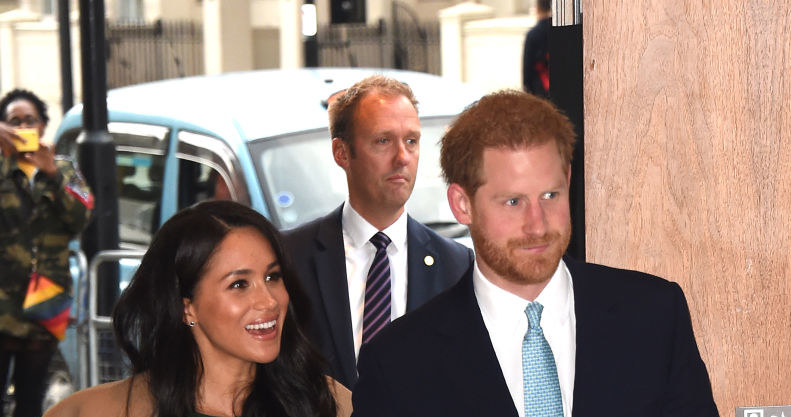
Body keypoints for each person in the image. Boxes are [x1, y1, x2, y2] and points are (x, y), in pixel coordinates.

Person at [351, 91, 719, 417]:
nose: (537, 224)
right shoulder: (399, 362)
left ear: (569, 182)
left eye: (550, 196)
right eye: (513, 202)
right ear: (462, 205)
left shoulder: (653, 316)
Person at [45, 200, 351, 417]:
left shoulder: (329, 402)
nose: (269, 301)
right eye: (239, 284)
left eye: (272, 277)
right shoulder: (94, 411)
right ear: (186, 307)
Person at [282, 75, 473, 389]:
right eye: (383, 141)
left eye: (411, 141)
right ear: (342, 153)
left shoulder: (456, 266)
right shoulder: (291, 258)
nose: (402, 157)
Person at [0, 89, 93, 417]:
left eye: (30, 120)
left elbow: (80, 219)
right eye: (14, 121)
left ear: (42, 126)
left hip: (45, 299)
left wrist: (51, 173)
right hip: (2, 301)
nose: (23, 126)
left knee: (31, 400)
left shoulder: (64, 171)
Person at [522, 0, 552, 97]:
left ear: (538, 8)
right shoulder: (559, 32)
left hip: (539, 92)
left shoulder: (532, 35)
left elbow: (527, 69)